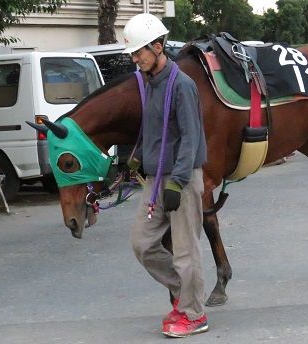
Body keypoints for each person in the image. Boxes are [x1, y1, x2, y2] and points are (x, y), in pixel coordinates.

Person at [122, 13, 208, 338]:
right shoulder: (150, 83)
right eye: (132, 53)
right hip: (156, 179)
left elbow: (191, 136)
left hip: (180, 181)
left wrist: (179, 179)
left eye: (139, 51)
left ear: (158, 46)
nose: (135, 58)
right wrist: (138, 158)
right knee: (141, 243)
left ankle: (194, 314)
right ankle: (185, 294)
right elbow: (154, 129)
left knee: (186, 251)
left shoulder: (182, 85)